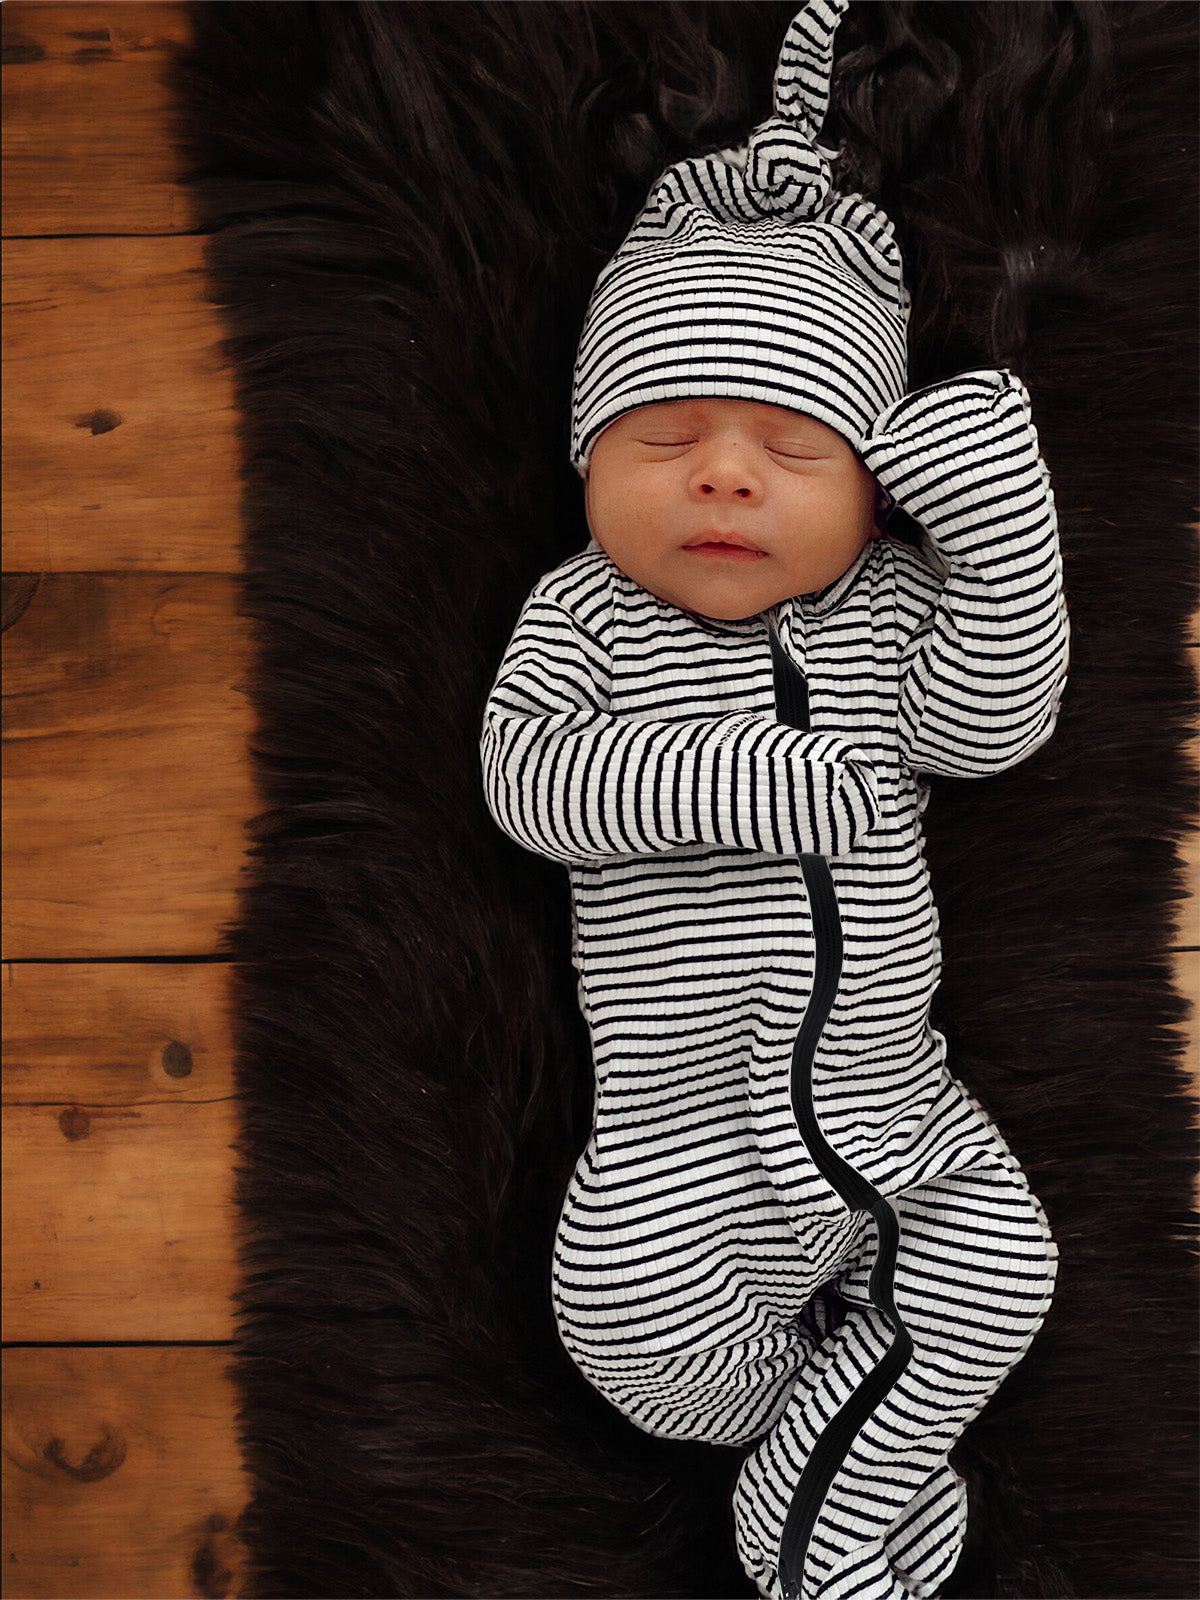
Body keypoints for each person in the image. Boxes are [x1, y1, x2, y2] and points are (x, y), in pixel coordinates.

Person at [479, 2, 1069, 1596]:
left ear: (874, 488)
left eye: (791, 444)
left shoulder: (885, 612)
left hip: (898, 1112)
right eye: (667, 434)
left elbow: (997, 725)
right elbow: (533, 781)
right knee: (654, 1370)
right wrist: (756, 778)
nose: (726, 474)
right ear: (590, 462)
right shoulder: (585, 614)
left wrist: (996, 522)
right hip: (677, 1143)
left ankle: (829, 1487)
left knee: (1007, 1267)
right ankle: (834, 1448)